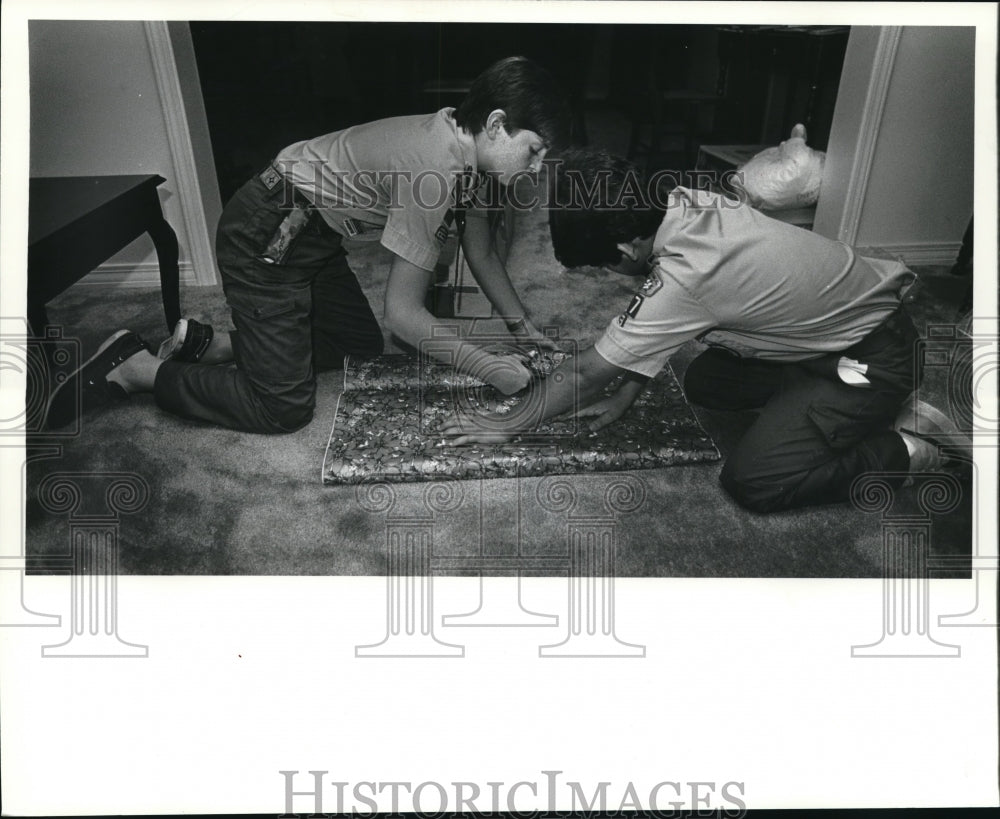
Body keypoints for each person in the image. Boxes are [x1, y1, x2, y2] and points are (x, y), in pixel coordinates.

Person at [45, 56, 570, 433]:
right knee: (281, 409)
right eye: (535, 150)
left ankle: (212, 345)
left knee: (356, 350)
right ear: (498, 126)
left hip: (313, 234)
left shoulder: (468, 155)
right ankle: (139, 369)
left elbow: (480, 252)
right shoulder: (434, 166)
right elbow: (405, 316)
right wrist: (490, 367)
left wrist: (522, 329)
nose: (537, 167)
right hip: (266, 232)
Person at [443, 148, 965, 513]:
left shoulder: (689, 276)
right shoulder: (686, 202)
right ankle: (838, 407)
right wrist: (628, 391)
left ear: (626, 250)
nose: (609, 278)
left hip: (876, 357)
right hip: (838, 335)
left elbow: (585, 371)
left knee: (755, 482)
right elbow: (651, 331)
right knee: (707, 382)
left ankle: (905, 446)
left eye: (604, 269)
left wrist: (509, 423)